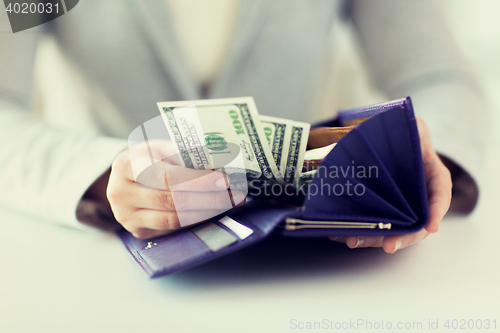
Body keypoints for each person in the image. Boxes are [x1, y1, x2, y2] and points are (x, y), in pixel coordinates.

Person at [0, 0, 489, 253]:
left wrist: (418, 160)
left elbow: (436, 75)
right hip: (106, 259)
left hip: (310, 259)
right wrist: (101, 177)